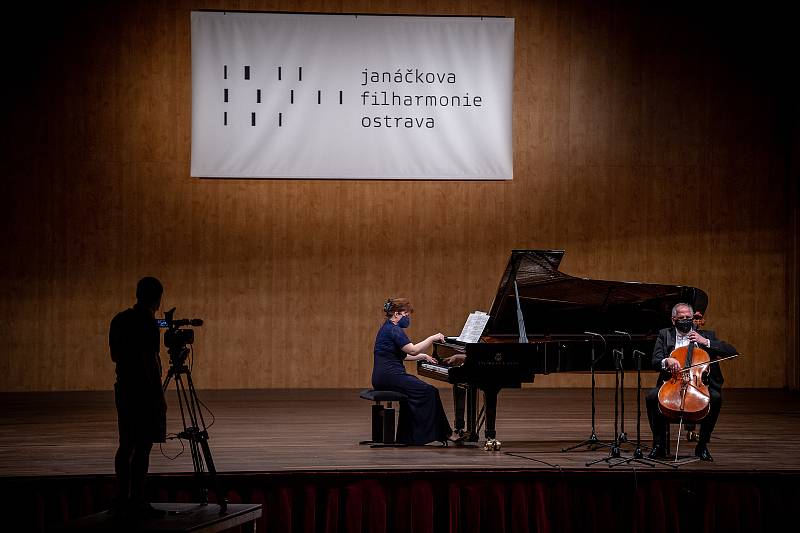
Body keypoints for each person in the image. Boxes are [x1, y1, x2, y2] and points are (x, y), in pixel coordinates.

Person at [646, 302, 737, 461]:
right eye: (681, 318)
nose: (686, 320)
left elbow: (732, 352)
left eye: (688, 317)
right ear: (673, 320)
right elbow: (655, 361)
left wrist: (705, 341)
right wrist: (666, 360)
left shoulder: (706, 335)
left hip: (697, 383)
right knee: (652, 397)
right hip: (672, 382)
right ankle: (658, 445)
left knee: (715, 398)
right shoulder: (664, 335)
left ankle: (702, 445)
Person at [109, 276, 167, 517]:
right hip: (144, 393)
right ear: (158, 299)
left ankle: (123, 498)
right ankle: (139, 499)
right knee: (143, 447)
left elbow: (114, 356)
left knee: (126, 445)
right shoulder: (149, 324)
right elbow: (150, 361)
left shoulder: (119, 320)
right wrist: (159, 396)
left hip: (124, 389)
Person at [372, 298, 453, 445]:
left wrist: (423, 356)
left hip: (382, 377)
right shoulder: (394, 329)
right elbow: (413, 349)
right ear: (396, 314)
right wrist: (432, 338)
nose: (408, 318)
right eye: (406, 314)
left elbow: (403, 354)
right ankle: (443, 434)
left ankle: (408, 437)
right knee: (429, 391)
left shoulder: (386, 328)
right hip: (391, 377)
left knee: (415, 392)